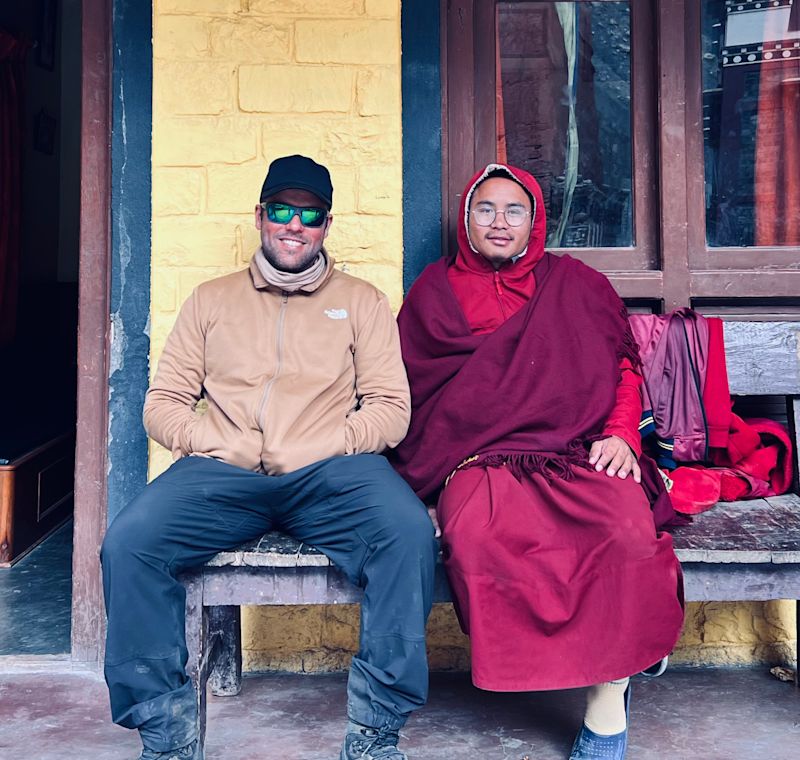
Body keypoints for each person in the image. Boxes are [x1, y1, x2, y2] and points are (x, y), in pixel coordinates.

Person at [101, 155, 438, 760]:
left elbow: (391, 410)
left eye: (308, 214)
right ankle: (165, 730)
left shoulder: (362, 302)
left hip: (333, 471)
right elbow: (163, 404)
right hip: (223, 472)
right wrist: (216, 442)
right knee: (130, 542)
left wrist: (319, 444)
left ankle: (375, 731)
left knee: (408, 533)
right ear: (260, 217)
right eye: (281, 210)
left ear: (326, 225)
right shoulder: (211, 300)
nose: (293, 224)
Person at [391, 163, 685, 760]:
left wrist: (623, 435)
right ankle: (598, 661)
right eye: (486, 210)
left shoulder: (576, 284)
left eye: (514, 211)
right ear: (466, 222)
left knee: (624, 528)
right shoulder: (434, 290)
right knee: (478, 538)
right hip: (478, 457)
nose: (500, 223)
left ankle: (608, 700)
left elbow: (624, 366)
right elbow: (412, 388)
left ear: (535, 222)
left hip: (577, 448)